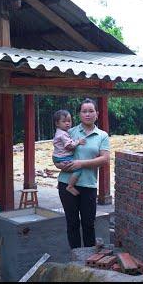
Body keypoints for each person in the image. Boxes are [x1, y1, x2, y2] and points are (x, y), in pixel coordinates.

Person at [53, 98, 110, 249]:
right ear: (79, 114)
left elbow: (105, 159)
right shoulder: (69, 132)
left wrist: (81, 164)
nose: (87, 114)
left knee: (88, 223)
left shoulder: (102, 135)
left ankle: (90, 257)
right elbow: (58, 152)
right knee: (72, 223)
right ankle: (76, 257)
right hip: (67, 184)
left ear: (97, 114)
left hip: (88, 184)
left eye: (91, 111)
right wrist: (58, 164)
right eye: (84, 111)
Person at [51, 109, 86, 196]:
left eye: (69, 121)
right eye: (64, 121)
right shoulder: (63, 134)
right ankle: (70, 186)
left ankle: (60, 183)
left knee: (67, 167)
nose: (67, 123)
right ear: (57, 123)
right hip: (63, 157)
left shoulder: (60, 132)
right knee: (78, 168)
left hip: (57, 156)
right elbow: (69, 146)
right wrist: (78, 142)